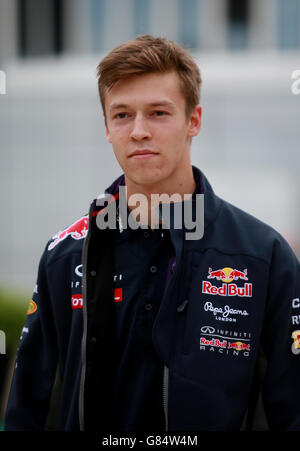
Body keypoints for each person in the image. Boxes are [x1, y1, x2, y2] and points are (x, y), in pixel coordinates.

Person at [4, 34, 300, 432]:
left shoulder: (264, 256)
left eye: (158, 113)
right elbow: (27, 410)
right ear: (107, 128)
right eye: (122, 115)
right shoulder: (65, 255)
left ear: (194, 120)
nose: (139, 131)